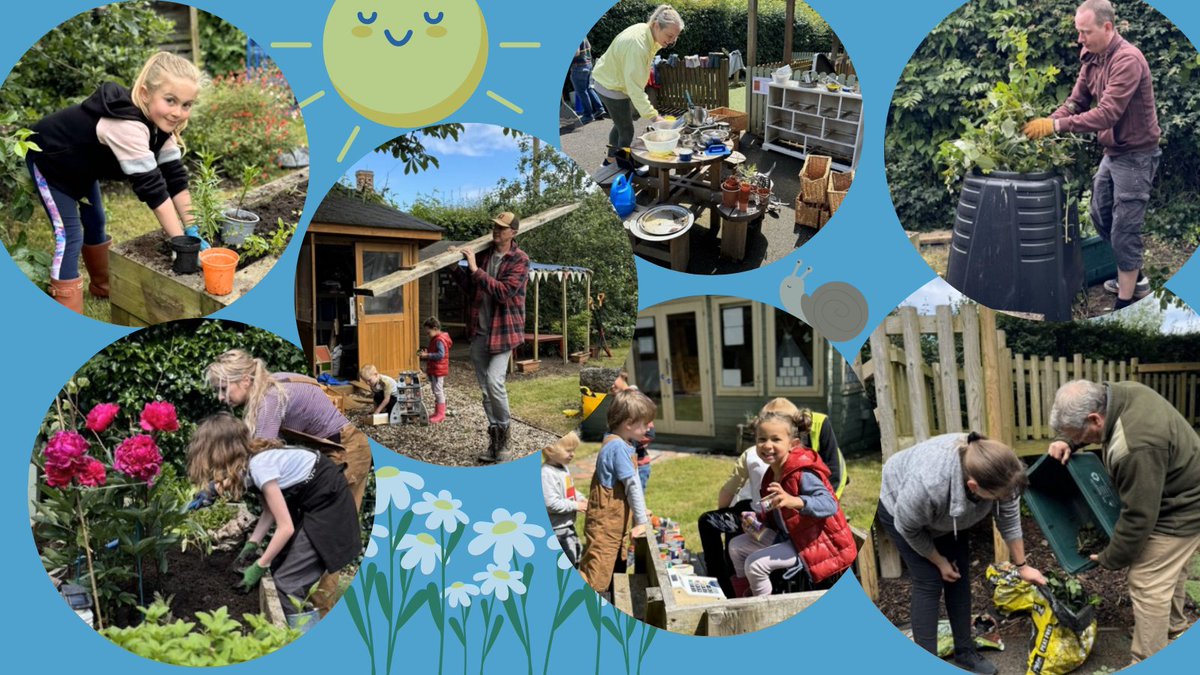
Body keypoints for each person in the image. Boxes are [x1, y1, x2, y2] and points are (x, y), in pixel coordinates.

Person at [27, 51, 208, 312]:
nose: (178, 112)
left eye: (186, 105)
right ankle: (67, 309)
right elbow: (154, 190)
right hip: (50, 160)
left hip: (81, 167)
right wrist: (181, 243)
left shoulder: (160, 127)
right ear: (145, 94)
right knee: (70, 236)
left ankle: (102, 286)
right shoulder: (126, 125)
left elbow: (175, 180)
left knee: (96, 222)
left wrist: (193, 229)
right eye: (170, 100)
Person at [1048, 379, 1200, 664]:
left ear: (1095, 418)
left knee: (1147, 581)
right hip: (1175, 488)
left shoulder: (1138, 445)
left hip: (1182, 508)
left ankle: (1147, 659)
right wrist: (1068, 441)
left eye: (1078, 433)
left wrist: (1112, 557)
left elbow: (1139, 517)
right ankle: (1173, 628)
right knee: (1170, 571)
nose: (1081, 440)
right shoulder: (1120, 394)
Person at [1023, 0, 1160, 310]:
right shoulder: (1093, 58)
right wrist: (1047, 124)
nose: (1080, 39)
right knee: (1100, 214)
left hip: (1137, 155)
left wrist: (1056, 126)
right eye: (1078, 31)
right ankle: (1136, 276)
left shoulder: (1128, 60)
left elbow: (1107, 114)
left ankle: (1125, 302)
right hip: (1114, 151)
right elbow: (1076, 102)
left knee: (1125, 228)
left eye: (1085, 32)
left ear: (1107, 27)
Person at [878, 432, 1046, 675]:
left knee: (958, 575)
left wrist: (1022, 566)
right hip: (901, 511)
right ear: (974, 487)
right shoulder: (928, 483)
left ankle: (965, 652)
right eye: (998, 497)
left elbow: (1008, 518)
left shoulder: (1003, 471)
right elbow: (908, 528)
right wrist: (939, 561)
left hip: (949, 517)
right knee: (929, 580)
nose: (1004, 499)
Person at [186, 414, 359, 620]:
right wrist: (251, 545)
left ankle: (300, 635)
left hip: (330, 510)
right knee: (280, 568)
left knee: (286, 586)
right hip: (318, 504)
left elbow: (285, 527)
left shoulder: (260, 466)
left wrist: (259, 566)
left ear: (222, 452)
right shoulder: (251, 461)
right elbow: (269, 511)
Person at [697, 398, 844, 597]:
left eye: (776, 439)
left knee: (755, 564)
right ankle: (743, 596)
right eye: (762, 439)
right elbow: (771, 510)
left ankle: (761, 605)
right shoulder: (771, 473)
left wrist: (794, 501)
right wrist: (757, 520)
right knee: (735, 546)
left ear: (793, 444)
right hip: (784, 535)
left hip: (808, 543)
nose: (767, 446)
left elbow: (830, 504)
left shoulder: (802, 471)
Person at [204, 349, 372, 512]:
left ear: (245, 380)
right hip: (336, 444)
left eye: (224, 388)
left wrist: (218, 487)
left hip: (348, 448)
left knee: (339, 519)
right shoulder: (272, 384)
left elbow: (260, 460)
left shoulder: (269, 400)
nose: (220, 397)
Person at [449, 212, 530, 462]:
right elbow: (472, 288)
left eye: (502, 228)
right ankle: (495, 442)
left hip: (503, 332)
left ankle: (505, 437)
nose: (496, 231)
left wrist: (474, 269)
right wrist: (456, 269)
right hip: (480, 332)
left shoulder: (520, 259)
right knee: (486, 391)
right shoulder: (484, 255)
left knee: (495, 382)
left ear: (513, 233)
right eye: (495, 226)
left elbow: (503, 292)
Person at [578, 388, 655, 595]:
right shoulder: (618, 448)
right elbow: (633, 486)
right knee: (597, 573)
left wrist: (641, 511)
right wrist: (641, 521)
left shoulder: (620, 442)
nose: (649, 427)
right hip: (606, 524)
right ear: (629, 423)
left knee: (614, 563)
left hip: (614, 523)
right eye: (645, 423)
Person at [591, 4, 684, 163]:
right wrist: (655, 118)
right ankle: (621, 163)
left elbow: (634, 81)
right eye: (669, 36)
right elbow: (634, 89)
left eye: (675, 38)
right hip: (610, 86)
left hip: (614, 79)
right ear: (656, 25)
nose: (671, 41)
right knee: (626, 129)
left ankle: (611, 158)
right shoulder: (638, 45)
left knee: (622, 122)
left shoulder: (647, 31)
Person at [541, 432, 586, 566]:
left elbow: (569, 490)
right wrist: (575, 505)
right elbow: (551, 504)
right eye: (568, 450)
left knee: (577, 553)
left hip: (567, 525)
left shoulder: (563, 468)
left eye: (574, 450)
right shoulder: (547, 473)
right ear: (550, 450)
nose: (573, 454)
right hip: (556, 529)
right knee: (567, 560)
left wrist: (581, 499)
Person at [418, 316, 453, 424]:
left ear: (435, 328)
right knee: (435, 390)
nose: (427, 335)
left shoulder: (439, 340)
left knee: (438, 391)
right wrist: (428, 352)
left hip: (438, 369)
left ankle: (441, 414)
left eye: (428, 332)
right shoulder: (435, 339)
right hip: (435, 369)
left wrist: (428, 355)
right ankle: (437, 412)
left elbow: (440, 355)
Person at [570, 39, 607, 124]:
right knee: (588, 88)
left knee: (581, 91)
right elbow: (589, 46)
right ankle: (599, 109)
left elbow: (576, 52)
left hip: (579, 67)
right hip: (588, 64)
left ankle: (588, 115)